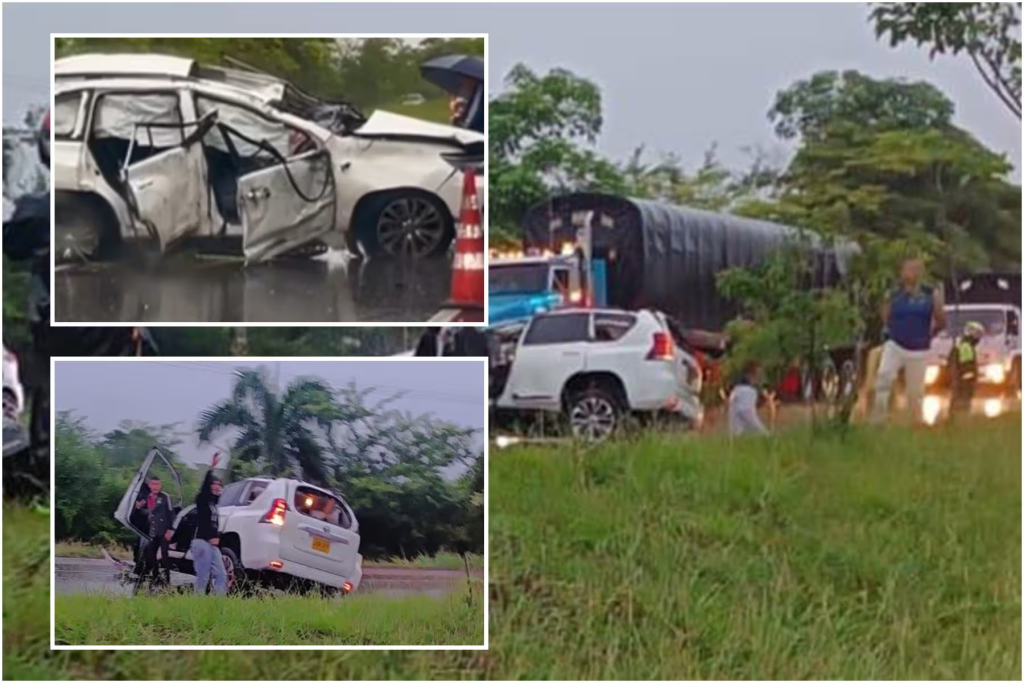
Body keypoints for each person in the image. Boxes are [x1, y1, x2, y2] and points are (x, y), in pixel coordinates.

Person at [872, 258, 947, 423]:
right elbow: (884, 313)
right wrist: (890, 328)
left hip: (919, 348)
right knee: (883, 377)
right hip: (895, 344)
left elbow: (941, 319)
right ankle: (878, 418)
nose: (907, 273)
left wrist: (930, 334)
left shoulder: (930, 293)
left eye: (912, 270)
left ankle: (915, 421)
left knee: (915, 392)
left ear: (920, 273)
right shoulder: (893, 293)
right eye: (905, 269)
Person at [193, 452, 227, 596]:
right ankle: (197, 605)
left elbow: (214, 526)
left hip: (213, 545)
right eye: (214, 484)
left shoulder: (214, 505)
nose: (216, 487)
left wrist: (217, 537)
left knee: (222, 574)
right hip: (201, 542)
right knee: (204, 576)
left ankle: (218, 605)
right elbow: (204, 488)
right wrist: (212, 467)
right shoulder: (202, 500)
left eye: (219, 485)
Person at [134, 476, 174, 585]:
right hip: (152, 532)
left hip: (163, 531)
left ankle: (166, 580)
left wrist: (170, 529)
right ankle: (156, 577)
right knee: (150, 556)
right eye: (153, 484)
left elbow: (170, 513)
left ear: (160, 486)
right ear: (150, 486)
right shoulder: (146, 498)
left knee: (164, 557)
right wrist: (138, 507)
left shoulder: (166, 497)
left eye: (157, 484)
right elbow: (146, 513)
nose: (155, 487)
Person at [948, 320, 985, 417]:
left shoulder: (960, 345)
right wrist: (971, 382)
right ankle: (959, 423)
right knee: (962, 406)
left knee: (956, 403)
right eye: (978, 335)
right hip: (965, 384)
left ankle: (954, 421)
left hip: (959, 383)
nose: (979, 338)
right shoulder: (966, 347)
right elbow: (967, 368)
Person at [728, 362, 770, 436]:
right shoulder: (748, 386)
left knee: (738, 429)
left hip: (739, 401)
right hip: (745, 402)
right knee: (753, 424)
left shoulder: (740, 385)